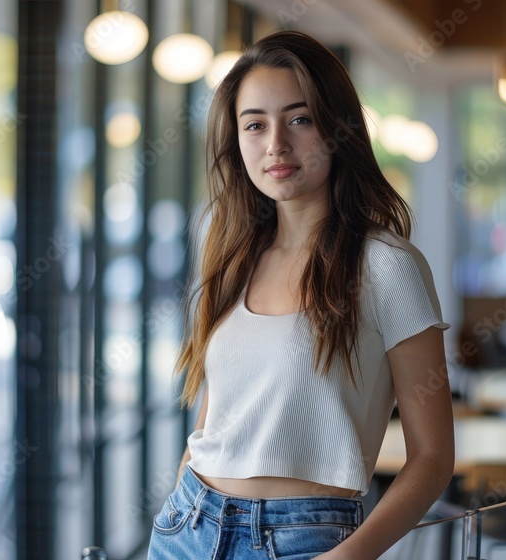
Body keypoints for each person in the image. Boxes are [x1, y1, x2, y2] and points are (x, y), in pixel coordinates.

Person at [147, 30, 455, 559]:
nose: (276, 145)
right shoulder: (230, 258)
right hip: (188, 527)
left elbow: (432, 457)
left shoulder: (387, 266)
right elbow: (213, 418)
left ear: (338, 128)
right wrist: (181, 497)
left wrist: (348, 557)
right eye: (255, 125)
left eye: (299, 119)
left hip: (304, 540)